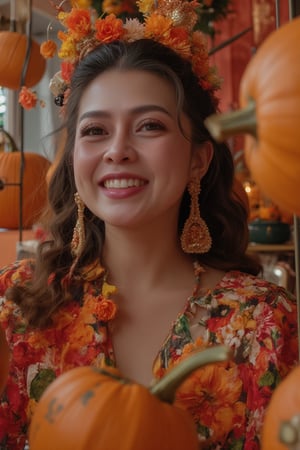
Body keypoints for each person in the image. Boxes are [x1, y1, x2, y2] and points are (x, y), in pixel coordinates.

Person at [0, 1, 298, 449]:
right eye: (95, 131)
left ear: (198, 159)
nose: (117, 150)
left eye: (149, 126)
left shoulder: (264, 322)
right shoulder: (14, 309)